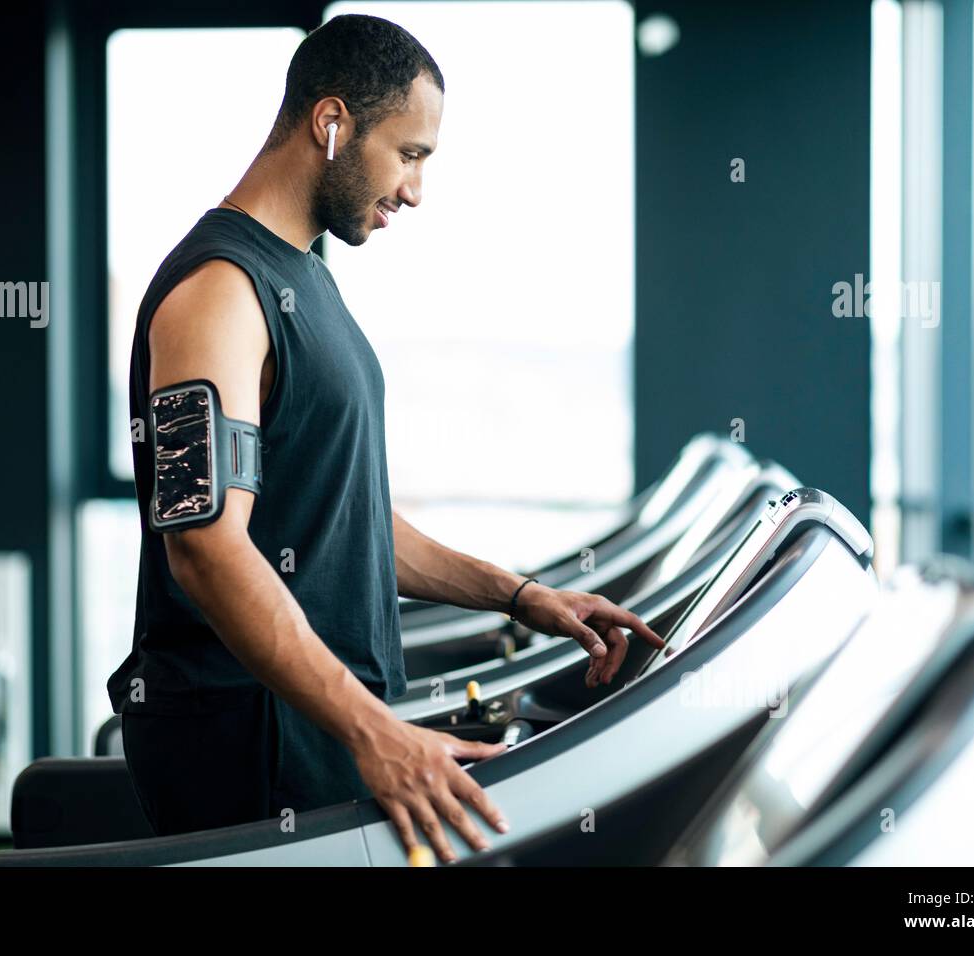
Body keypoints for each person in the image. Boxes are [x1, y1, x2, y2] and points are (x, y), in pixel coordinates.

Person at [107, 13, 662, 865]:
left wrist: (524, 597)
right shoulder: (217, 293)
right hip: (253, 751)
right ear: (332, 124)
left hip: (311, 738)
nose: (414, 191)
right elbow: (205, 548)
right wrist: (376, 733)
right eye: (409, 155)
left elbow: (350, 521)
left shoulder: (304, 276)